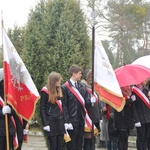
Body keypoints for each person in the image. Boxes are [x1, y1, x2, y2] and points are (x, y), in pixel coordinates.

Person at [61, 64, 91, 150]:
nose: (81, 75)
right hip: (71, 120)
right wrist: (66, 121)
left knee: (79, 144)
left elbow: (85, 101)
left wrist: (90, 100)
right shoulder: (65, 87)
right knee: (71, 145)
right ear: (74, 74)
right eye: (79, 73)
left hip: (81, 119)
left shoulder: (82, 86)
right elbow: (64, 105)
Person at [40, 72, 65, 150]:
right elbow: (42, 108)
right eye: (58, 80)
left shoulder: (59, 90)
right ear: (53, 81)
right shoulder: (45, 91)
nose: (59, 82)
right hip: (51, 121)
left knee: (60, 145)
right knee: (53, 145)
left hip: (59, 120)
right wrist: (45, 123)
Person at [81, 69, 101, 150]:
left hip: (95, 116)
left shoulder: (94, 88)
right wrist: (89, 101)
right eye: (89, 76)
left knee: (93, 140)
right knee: (88, 140)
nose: (91, 78)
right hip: (88, 117)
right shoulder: (83, 87)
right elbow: (83, 101)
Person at [114, 85, 136, 150]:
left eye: (129, 86)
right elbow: (122, 104)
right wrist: (130, 100)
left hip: (128, 120)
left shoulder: (130, 95)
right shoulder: (119, 94)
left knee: (126, 138)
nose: (129, 88)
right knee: (121, 138)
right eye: (127, 86)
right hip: (121, 120)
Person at [132, 81, 150, 150]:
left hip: (148, 118)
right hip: (140, 119)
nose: (145, 80)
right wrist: (136, 119)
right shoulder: (134, 91)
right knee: (140, 138)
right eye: (143, 79)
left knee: (146, 137)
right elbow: (134, 107)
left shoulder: (146, 90)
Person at [0, 79, 15, 150]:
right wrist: (1, 112)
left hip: (9, 129)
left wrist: (10, 111)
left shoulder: (9, 95)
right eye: (3, 82)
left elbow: (15, 110)